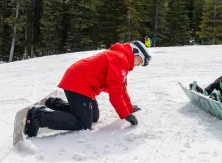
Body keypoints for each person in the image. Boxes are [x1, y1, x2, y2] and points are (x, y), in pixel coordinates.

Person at [24, 41, 152, 138]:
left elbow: (121, 89)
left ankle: (53, 103)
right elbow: (115, 93)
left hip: (82, 83)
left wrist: (129, 109)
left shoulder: (120, 58)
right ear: (135, 52)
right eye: (139, 61)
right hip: (78, 82)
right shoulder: (120, 59)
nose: (137, 65)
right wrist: (125, 115)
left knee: (93, 117)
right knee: (84, 123)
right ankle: (38, 116)